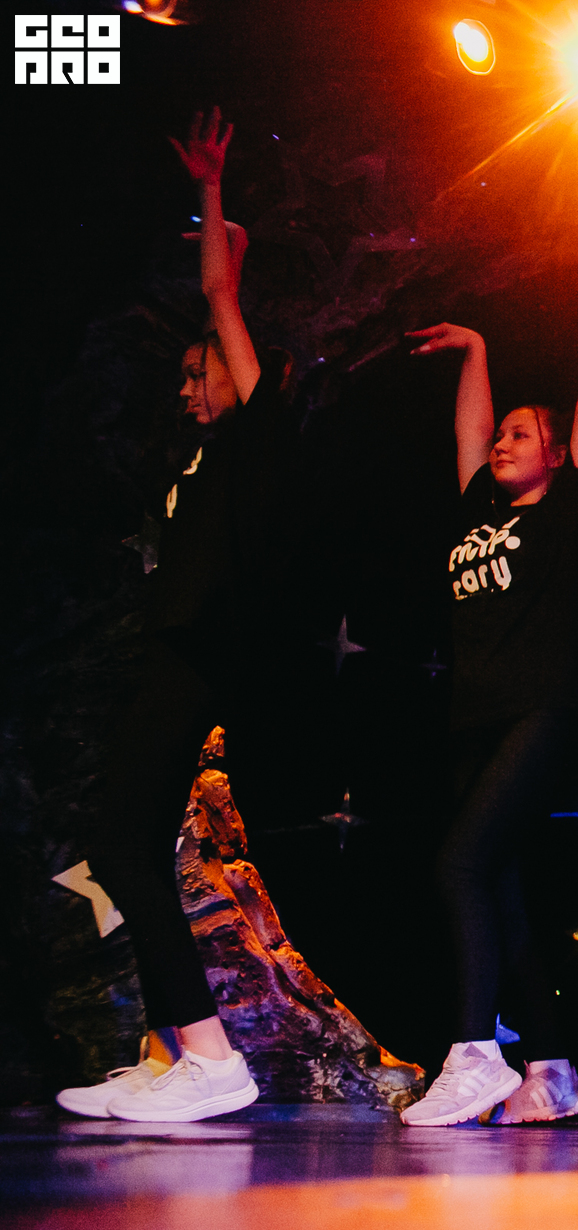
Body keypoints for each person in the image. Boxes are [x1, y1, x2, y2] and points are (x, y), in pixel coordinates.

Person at [57, 109, 288, 1124]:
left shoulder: (254, 435)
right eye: (187, 377)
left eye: (202, 373)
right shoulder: (194, 458)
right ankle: (170, 1052)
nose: (190, 388)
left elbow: (220, 293)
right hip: (174, 648)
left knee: (118, 842)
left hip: (200, 651)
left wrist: (212, 189)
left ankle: (211, 1057)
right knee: (138, 849)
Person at [394, 268, 578, 1126]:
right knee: (500, 892)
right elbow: (470, 431)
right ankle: (552, 1071)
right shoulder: (476, 511)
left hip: (542, 711)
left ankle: (475, 1053)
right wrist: (476, 349)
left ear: (554, 456)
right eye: (502, 434)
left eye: (523, 435)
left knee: (459, 865)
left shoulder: (564, 513)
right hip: (473, 721)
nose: (503, 443)